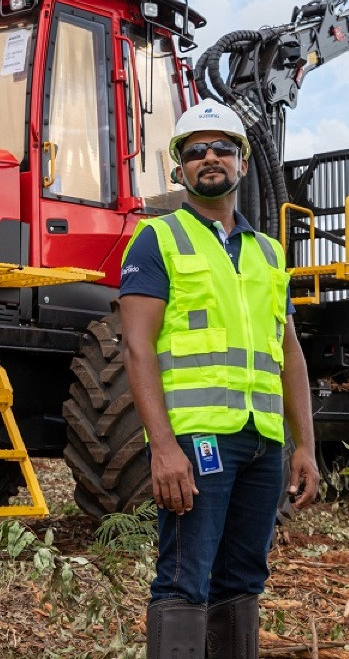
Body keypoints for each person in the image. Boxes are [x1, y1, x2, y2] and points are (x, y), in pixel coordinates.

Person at [119, 100, 319, 659]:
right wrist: (163, 448)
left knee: (243, 580)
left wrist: (304, 444)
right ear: (178, 167)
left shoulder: (269, 253)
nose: (210, 158)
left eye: (222, 148)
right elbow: (137, 349)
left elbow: (290, 354)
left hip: (263, 446)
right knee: (185, 578)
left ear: (243, 163)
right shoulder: (157, 240)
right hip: (198, 440)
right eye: (195, 151)